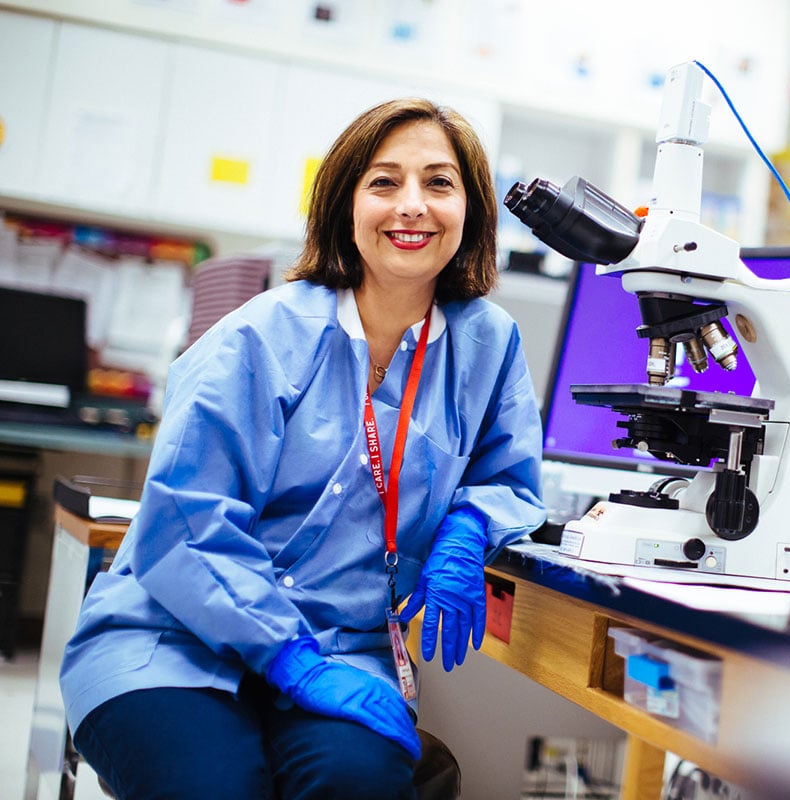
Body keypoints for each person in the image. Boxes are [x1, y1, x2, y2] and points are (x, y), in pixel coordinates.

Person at [59, 98, 546, 799]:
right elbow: (186, 525)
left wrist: (470, 529)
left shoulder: (487, 344)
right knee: (216, 786)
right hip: (170, 641)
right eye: (384, 182)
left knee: (358, 782)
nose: (413, 205)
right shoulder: (258, 338)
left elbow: (507, 472)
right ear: (345, 203)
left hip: (342, 652)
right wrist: (289, 658)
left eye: (439, 183)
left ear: (470, 210)